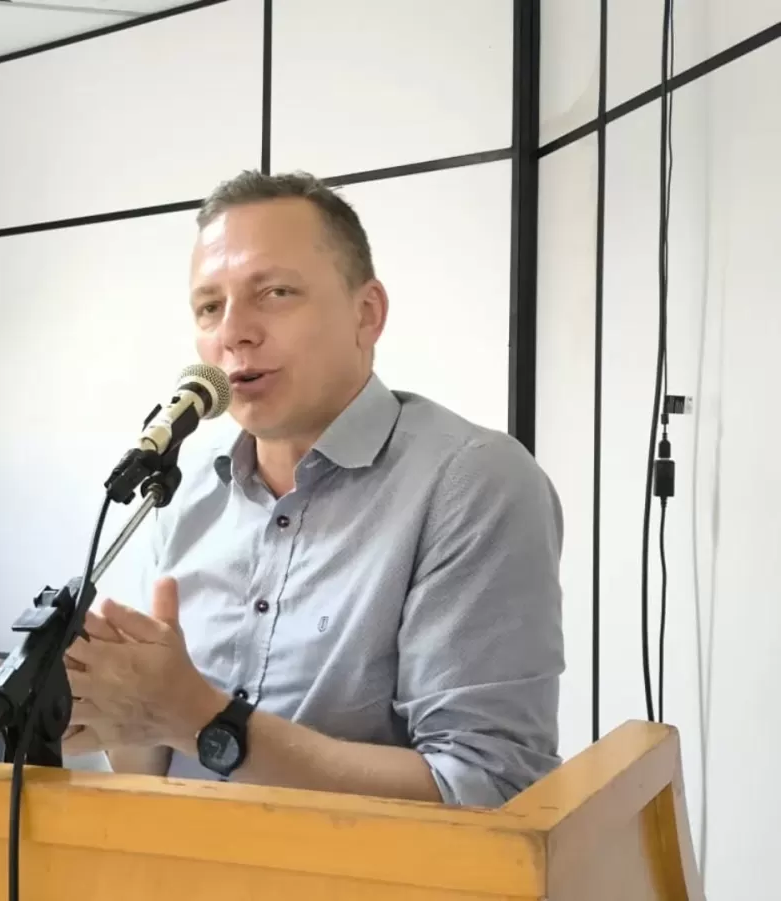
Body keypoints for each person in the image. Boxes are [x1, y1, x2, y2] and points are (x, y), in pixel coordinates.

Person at [63, 170, 564, 807]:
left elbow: (485, 789)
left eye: (274, 293)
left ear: (366, 314)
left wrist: (201, 720)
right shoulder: (186, 491)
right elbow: (153, 762)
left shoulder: (472, 482)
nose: (234, 332)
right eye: (210, 307)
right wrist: (117, 710)